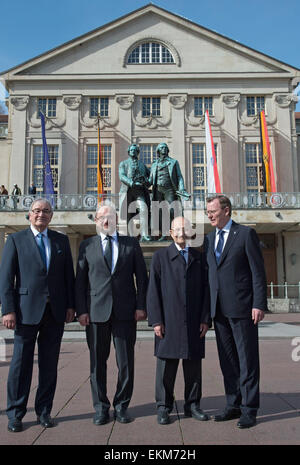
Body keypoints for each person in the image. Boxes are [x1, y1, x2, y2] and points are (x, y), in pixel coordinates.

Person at [0, 199, 75, 432]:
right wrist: (8, 309)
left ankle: (44, 411)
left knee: (49, 365)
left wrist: (71, 306)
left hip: (55, 313)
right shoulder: (15, 240)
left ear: (51, 216)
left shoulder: (61, 241)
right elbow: (5, 278)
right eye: (37, 211)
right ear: (29, 215)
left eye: (46, 211)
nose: (41, 214)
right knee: (20, 365)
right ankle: (16, 414)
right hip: (24, 312)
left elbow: (68, 278)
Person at [75, 203, 148, 425]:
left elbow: (142, 279)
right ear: (96, 221)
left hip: (125, 312)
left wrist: (141, 306)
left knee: (125, 362)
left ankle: (121, 405)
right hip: (96, 313)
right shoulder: (87, 246)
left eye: (110, 217)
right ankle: (100, 407)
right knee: (98, 363)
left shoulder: (131, 244)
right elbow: (80, 282)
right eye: (102, 218)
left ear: (117, 220)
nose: (106, 221)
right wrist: (81, 310)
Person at [204, 195, 267, 429]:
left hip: (243, 309)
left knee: (247, 360)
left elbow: (258, 273)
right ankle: (233, 404)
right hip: (218, 311)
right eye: (207, 212)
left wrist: (258, 304)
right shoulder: (209, 240)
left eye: (213, 211)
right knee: (227, 361)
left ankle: (249, 409)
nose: (209, 215)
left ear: (226, 211)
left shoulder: (245, 234)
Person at [147, 216, 210, 425]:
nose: (181, 232)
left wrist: (205, 319)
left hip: (194, 321)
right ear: (171, 232)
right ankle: (164, 406)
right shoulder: (160, 257)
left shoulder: (199, 257)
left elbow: (206, 291)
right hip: (168, 321)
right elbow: (153, 292)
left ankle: (193, 405)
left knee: (193, 367)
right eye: (177, 229)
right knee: (166, 367)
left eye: (185, 228)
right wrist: (156, 321)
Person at [149, 143, 190, 241]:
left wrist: (182, 189)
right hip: (158, 190)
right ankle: (164, 234)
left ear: (167, 150)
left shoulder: (173, 162)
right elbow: (150, 180)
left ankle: (176, 230)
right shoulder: (154, 164)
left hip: (169, 189)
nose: (164, 149)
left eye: (165, 147)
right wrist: (142, 183)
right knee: (160, 212)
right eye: (161, 148)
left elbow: (179, 177)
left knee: (172, 210)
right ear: (158, 151)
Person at [119, 144, 151, 241]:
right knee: (129, 214)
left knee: (143, 208)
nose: (133, 151)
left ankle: (144, 235)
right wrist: (132, 183)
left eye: (135, 150)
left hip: (139, 192)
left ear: (138, 152)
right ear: (129, 152)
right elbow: (122, 176)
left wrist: (146, 182)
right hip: (128, 191)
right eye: (131, 150)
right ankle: (130, 237)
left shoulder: (142, 165)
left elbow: (150, 178)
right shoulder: (123, 164)